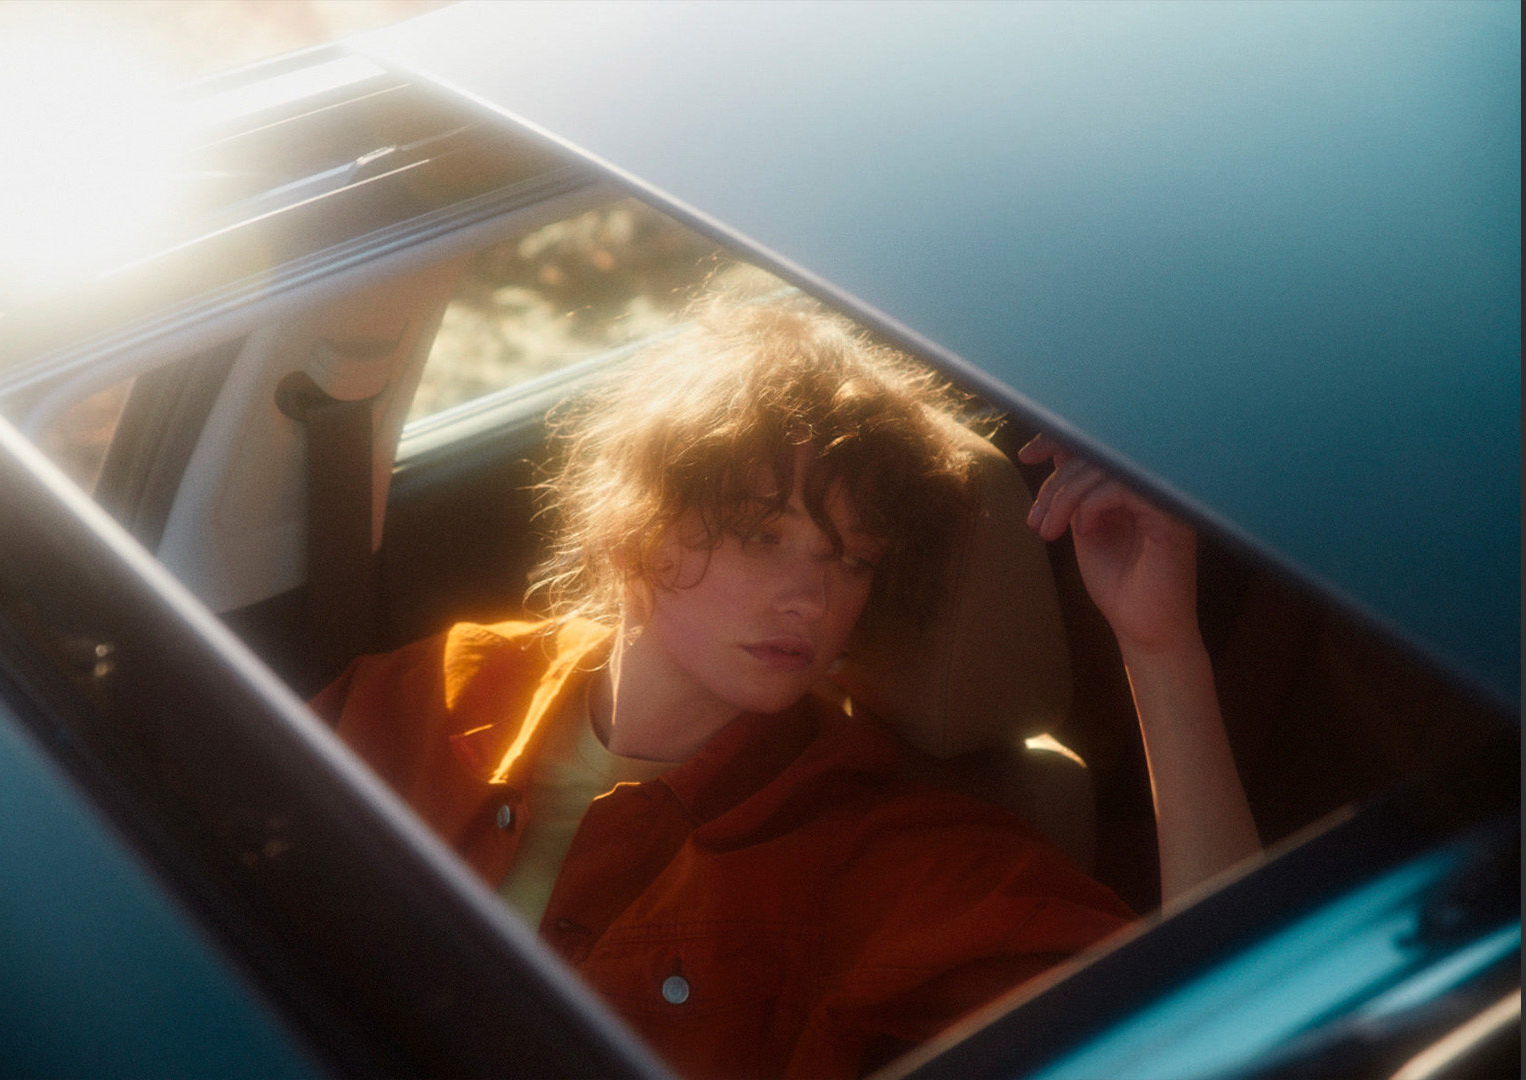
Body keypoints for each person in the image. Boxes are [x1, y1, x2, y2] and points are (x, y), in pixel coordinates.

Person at [312, 291, 1260, 1079]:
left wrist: (1161, 650)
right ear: (635, 527)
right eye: (764, 536)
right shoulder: (445, 684)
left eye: (852, 559)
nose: (812, 597)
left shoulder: (877, 855)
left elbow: (1231, 1027)